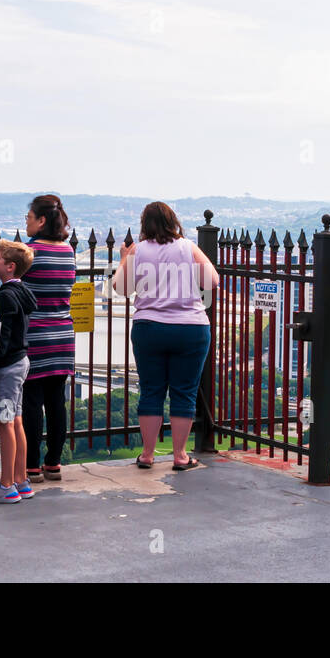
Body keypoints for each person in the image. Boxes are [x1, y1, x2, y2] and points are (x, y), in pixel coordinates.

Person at [112, 201, 218, 471]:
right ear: (173, 221)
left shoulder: (138, 250)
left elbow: (121, 288)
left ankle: (147, 454)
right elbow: (212, 281)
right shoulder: (188, 247)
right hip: (190, 328)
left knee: (151, 391)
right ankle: (180, 456)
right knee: (184, 392)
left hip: (149, 327)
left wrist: (124, 258)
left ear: (144, 224)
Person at [0, 240, 38, 504]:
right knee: (15, 421)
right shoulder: (23, 292)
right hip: (20, 363)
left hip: (6, 368)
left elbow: (1, 340)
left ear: (10, 267)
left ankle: (6, 486)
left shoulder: (4, 297)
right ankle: (21, 480)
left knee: (4, 423)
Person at [21, 195, 75, 482]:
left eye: (29, 217)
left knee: (31, 401)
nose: (26, 222)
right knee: (56, 401)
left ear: (41, 221)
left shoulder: (29, 252)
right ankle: (53, 462)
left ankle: (31, 465)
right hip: (63, 334)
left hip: (35, 334)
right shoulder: (68, 251)